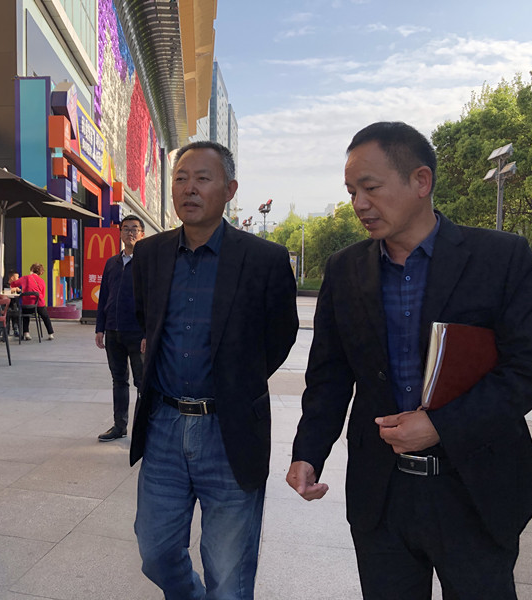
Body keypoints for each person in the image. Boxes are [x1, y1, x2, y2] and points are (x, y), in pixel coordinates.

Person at [286, 122, 532, 599]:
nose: (359, 204)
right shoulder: (345, 269)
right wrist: (309, 451)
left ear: (420, 181)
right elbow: (329, 374)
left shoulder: (500, 258)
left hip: (475, 489)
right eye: (351, 192)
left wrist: (441, 426)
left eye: (370, 188)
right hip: (381, 494)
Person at [131, 141, 298, 598]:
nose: (189, 188)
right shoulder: (150, 254)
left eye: (202, 178)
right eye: (181, 178)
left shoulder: (264, 259)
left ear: (230, 189)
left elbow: (281, 336)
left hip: (229, 429)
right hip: (164, 425)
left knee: (228, 573)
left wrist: (236, 381)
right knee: (155, 551)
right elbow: (147, 318)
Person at [95, 214, 146, 442]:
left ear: (142, 234)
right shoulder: (111, 263)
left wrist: (148, 333)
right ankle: (119, 426)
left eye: (135, 228)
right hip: (113, 332)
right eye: (126, 228)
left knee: (142, 383)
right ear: (120, 233)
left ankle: (144, 431)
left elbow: (153, 300)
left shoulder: (147, 264)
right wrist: (100, 327)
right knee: (118, 380)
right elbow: (104, 296)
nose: (130, 232)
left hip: (137, 333)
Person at [16, 263, 54, 341]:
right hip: (39, 305)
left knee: (25, 316)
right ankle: (50, 333)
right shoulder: (42, 281)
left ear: (32, 270)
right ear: (40, 272)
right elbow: (43, 295)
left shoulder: (25, 278)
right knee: (45, 316)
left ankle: (26, 333)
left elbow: (14, 283)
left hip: (27, 305)